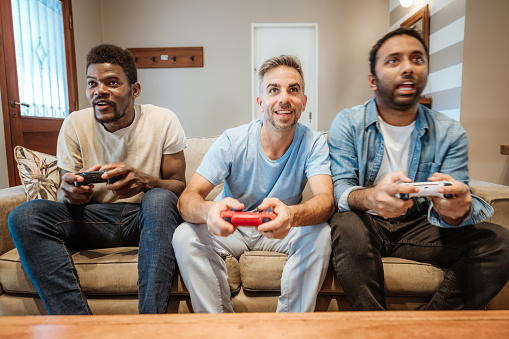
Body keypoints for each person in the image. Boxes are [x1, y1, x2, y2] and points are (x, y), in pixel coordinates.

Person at [328, 27, 509, 311]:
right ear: (373, 80)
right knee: (346, 223)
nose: (408, 68)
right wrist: (371, 197)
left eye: (417, 59)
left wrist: (457, 210)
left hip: (421, 224)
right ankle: (376, 328)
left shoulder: (450, 132)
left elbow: (459, 198)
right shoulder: (348, 123)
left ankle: (426, 327)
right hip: (366, 225)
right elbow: (341, 190)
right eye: (394, 60)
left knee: (501, 242)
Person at [8, 44, 187, 315]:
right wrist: (68, 193)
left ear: (134, 90)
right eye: (92, 83)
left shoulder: (163, 120)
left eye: (112, 82)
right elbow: (62, 194)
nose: (99, 90)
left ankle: (151, 325)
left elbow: (178, 185)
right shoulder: (74, 124)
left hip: (144, 219)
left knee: (161, 198)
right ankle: (79, 327)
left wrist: (145, 181)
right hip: (90, 219)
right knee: (23, 216)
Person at [172, 55, 333, 313]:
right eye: (273, 90)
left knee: (321, 233)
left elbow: (325, 201)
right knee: (183, 235)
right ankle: (221, 329)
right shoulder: (232, 140)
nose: (284, 98)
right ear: (260, 102)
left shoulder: (314, 143)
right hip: (232, 228)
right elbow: (188, 198)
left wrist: (290, 214)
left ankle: (289, 330)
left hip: (280, 229)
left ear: (303, 102)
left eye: (293, 90)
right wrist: (209, 212)